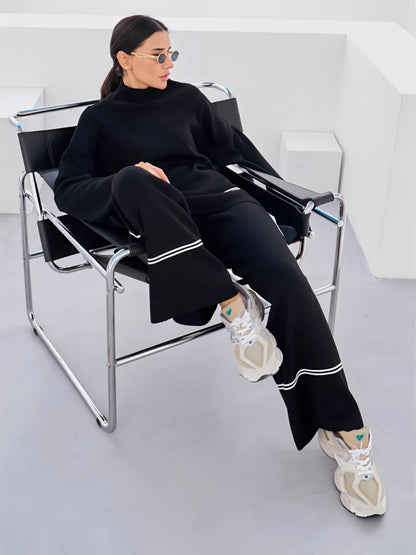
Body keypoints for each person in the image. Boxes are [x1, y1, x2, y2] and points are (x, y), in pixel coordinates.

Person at [54, 14, 386, 517]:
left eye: (172, 53)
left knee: (290, 285)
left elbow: (239, 153)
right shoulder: (99, 120)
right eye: (158, 55)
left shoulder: (189, 99)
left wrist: (284, 202)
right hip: (167, 221)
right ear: (124, 59)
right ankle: (233, 304)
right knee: (138, 179)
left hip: (225, 203)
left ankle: (347, 431)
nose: (169, 63)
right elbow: (70, 190)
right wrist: (126, 179)